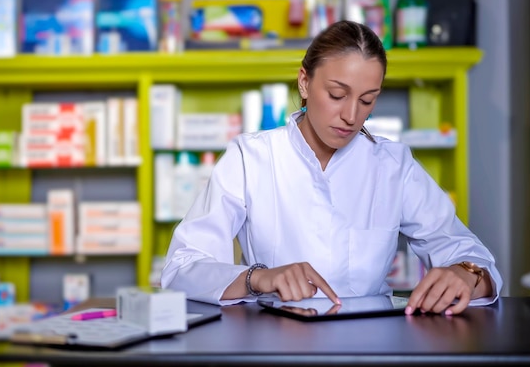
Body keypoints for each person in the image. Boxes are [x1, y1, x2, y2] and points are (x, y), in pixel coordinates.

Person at [160, 20, 503, 316]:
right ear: (304, 83)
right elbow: (182, 267)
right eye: (338, 94)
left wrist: (466, 273)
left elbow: (464, 250)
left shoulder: (393, 165)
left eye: (367, 100)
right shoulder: (252, 157)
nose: (352, 116)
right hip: (276, 340)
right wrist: (258, 277)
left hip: (373, 344)